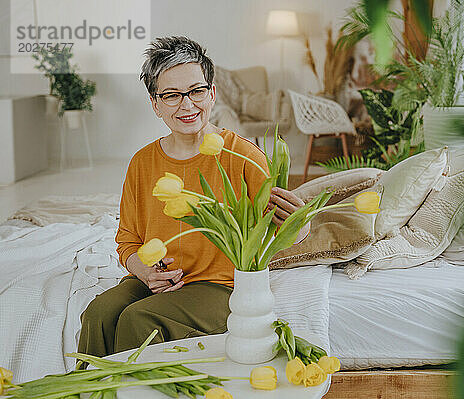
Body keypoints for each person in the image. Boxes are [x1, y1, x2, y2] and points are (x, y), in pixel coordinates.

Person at [78, 36, 309, 359]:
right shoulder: (142, 162)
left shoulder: (243, 157)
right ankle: (88, 392)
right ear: (155, 104)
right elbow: (128, 240)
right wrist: (146, 272)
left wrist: (300, 223)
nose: (187, 105)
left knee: (138, 318)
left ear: (212, 94)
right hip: (155, 280)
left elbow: (282, 235)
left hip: (220, 287)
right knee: (99, 313)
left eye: (196, 91)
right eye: (171, 95)